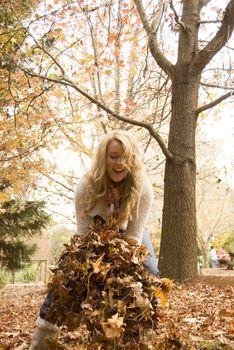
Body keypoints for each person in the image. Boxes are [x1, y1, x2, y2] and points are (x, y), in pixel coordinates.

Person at [29, 129, 158, 349]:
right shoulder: (86, 186)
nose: (119, 163)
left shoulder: (142, 187)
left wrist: (122, 264)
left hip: (129, 233)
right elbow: (82, 233)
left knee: (149, 270)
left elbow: (135, 237)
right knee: (69, 275)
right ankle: (41, 339)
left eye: (125, 158)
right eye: (113, 156)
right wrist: (87, 265)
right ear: (104, 157)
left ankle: (139, 337)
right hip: (93, 232)